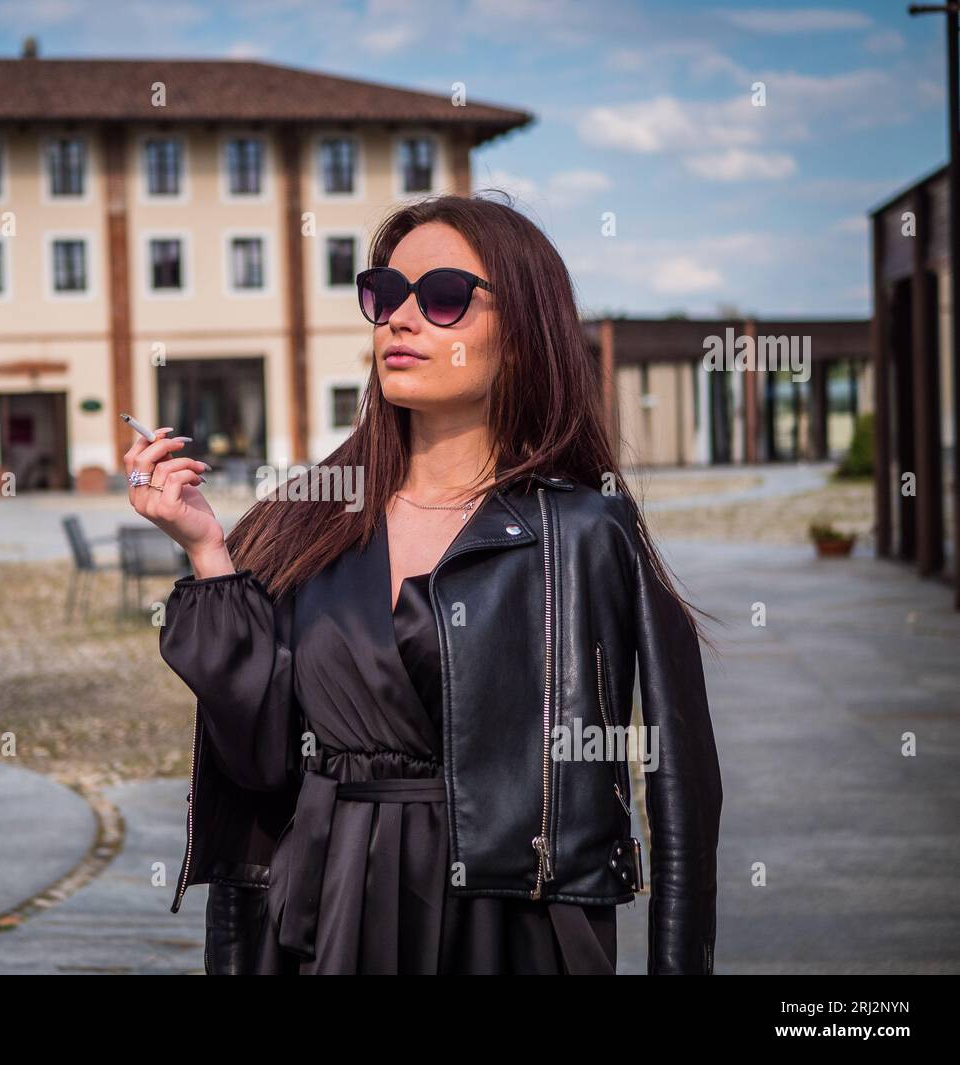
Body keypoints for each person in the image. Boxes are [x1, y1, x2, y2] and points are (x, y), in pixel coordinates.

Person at [126, 191, 724, 975]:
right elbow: (262, 761)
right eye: (385, 293)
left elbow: (681, 781)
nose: (400, 318)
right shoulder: (304, 522)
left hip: (509, 928)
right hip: (322, 920)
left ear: (524, 333)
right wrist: (208, 550)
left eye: (443, 298)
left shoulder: (584, 531)